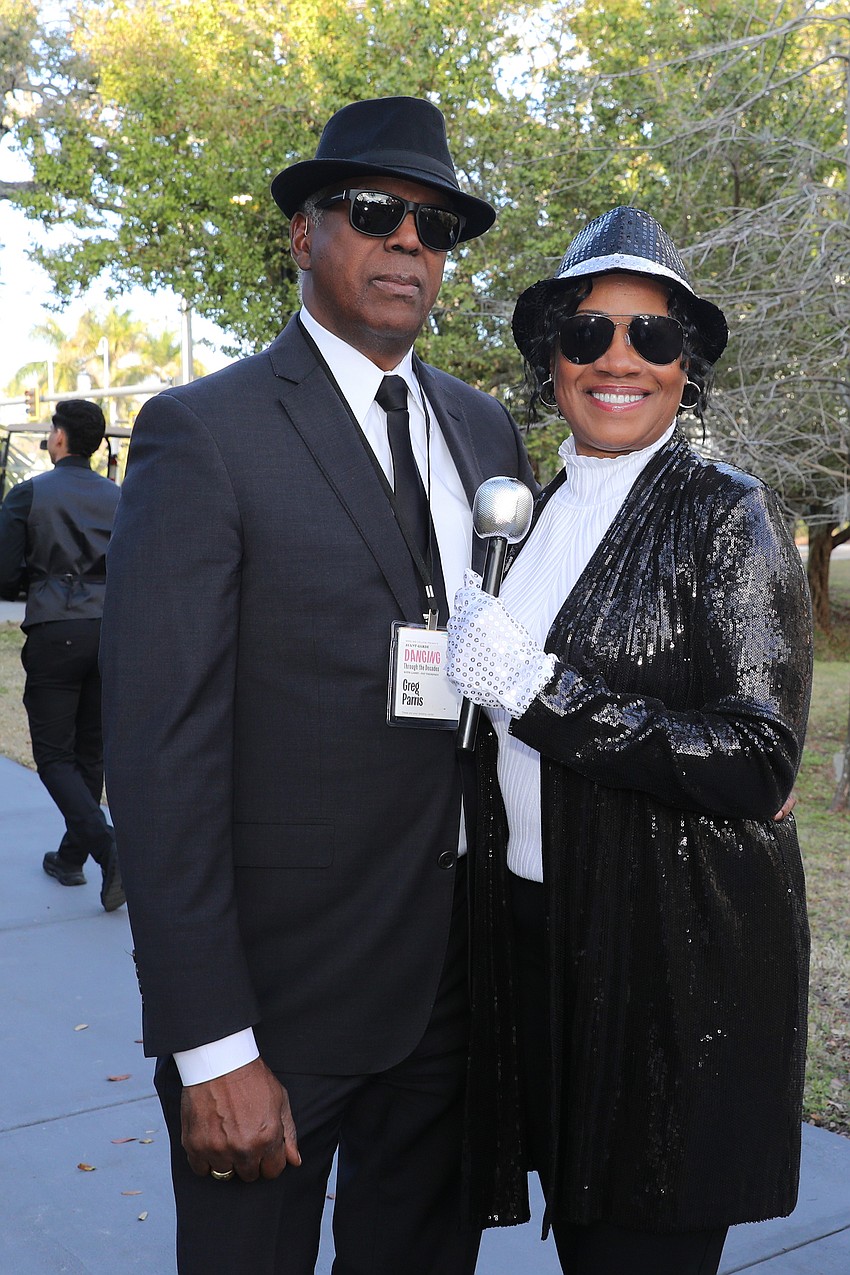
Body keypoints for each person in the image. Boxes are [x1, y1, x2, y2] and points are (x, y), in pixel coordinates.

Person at [99, 96, 535, 1275]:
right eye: (375, 212)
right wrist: (209, 1046)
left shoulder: (486, 432)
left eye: (434, 225)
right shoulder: (204, 432)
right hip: (275, 1008)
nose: (409, 242)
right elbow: (156, 753)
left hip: (451, 983)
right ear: (305, 235)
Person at [446, 206, 813, 1275]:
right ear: (550, 357)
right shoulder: (534, 508)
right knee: (584, 1236)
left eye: (653, 337)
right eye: (588, 332)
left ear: (685, 368)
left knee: (635, 1250)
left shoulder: (723, 512)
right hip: (533, 936)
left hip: (669, 960)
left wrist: (539, 691)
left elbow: (757, 761)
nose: (619, 359)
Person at [0, 398, 124, 912]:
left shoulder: (29, 494)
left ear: (59, 437)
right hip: (109, 631)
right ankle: (71, 858)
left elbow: (5, 575)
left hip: (56, 628)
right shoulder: (123, 498)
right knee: (90, 752)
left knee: (52, 755)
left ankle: (106, 848)